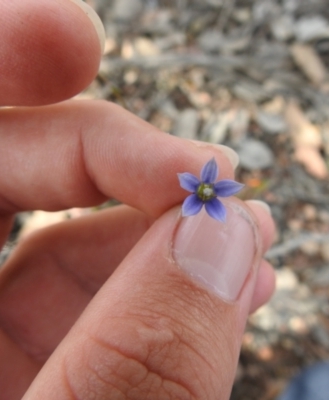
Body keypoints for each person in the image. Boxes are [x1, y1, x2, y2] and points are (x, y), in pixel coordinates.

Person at [0, 1, 276, 399]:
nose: (204, 190)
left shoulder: (208, 195)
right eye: (201, 188)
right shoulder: (200, 193)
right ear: (201, 188)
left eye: (205, 189)